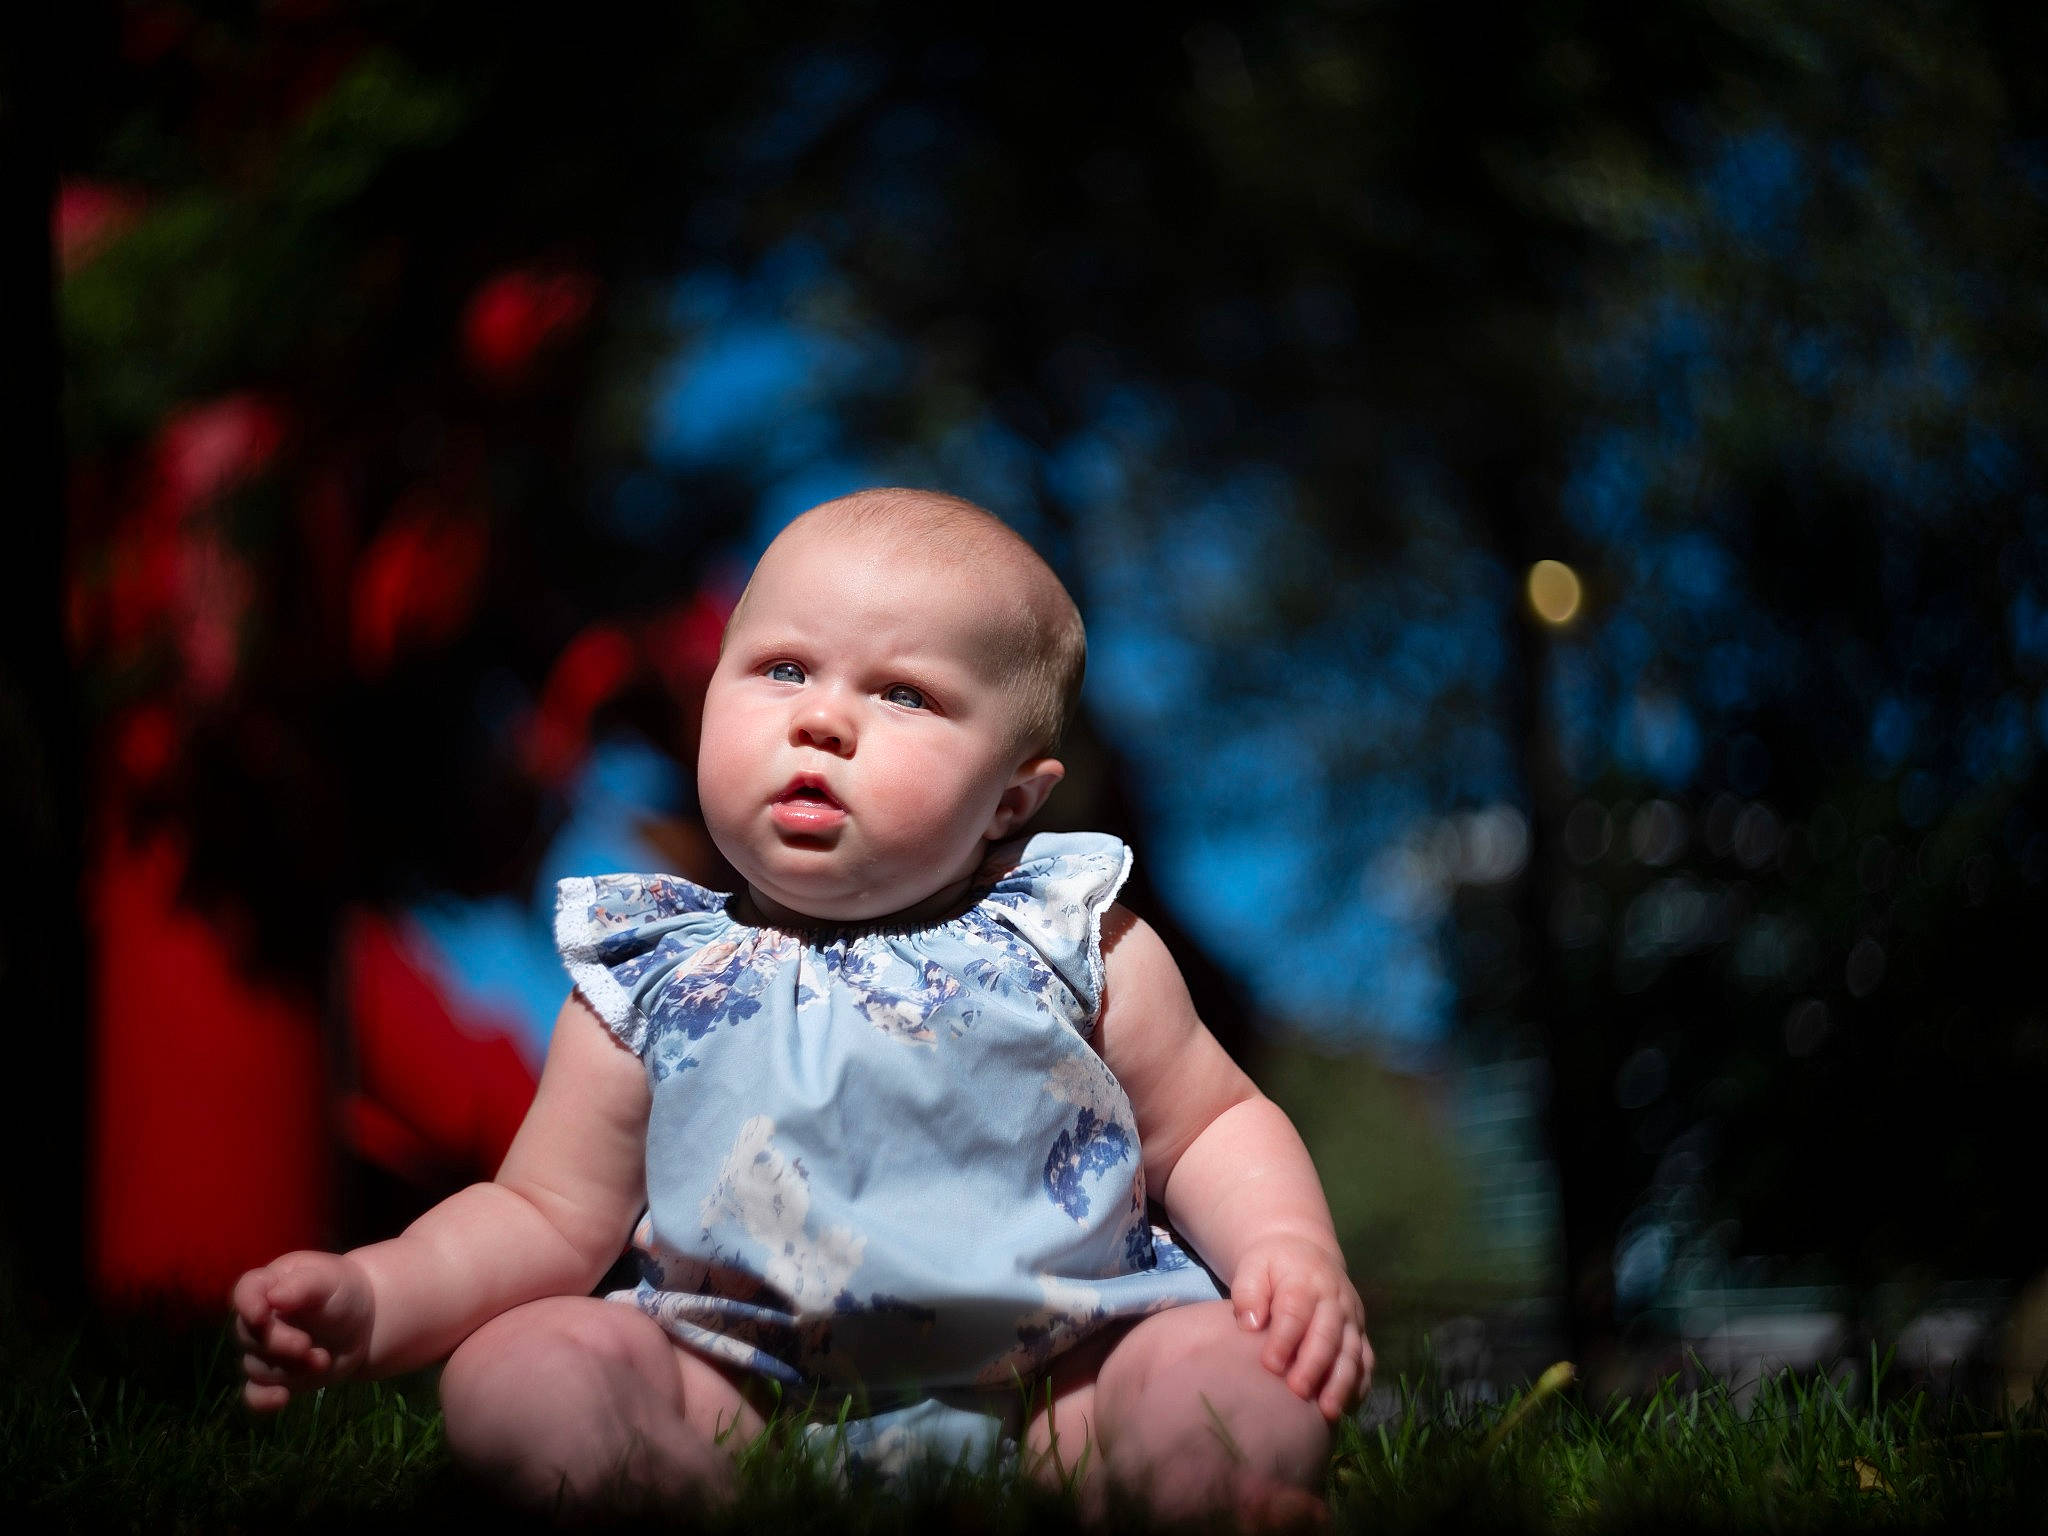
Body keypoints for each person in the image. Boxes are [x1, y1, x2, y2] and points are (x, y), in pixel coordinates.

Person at [233, 488, 1373, 1524]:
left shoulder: (1072, 939)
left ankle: (1202, 1490)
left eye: (903, 693)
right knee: (515, 1370)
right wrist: (378, 1294)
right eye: (782, 670)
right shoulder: (653, 976)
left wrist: (1285, 1248)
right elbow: (542, 1214)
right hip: (741, 1392)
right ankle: (664, 1492)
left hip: (1065, 1377)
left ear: (1010, 802)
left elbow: (1212, 1124)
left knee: (1226, 1367)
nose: (822, 719)